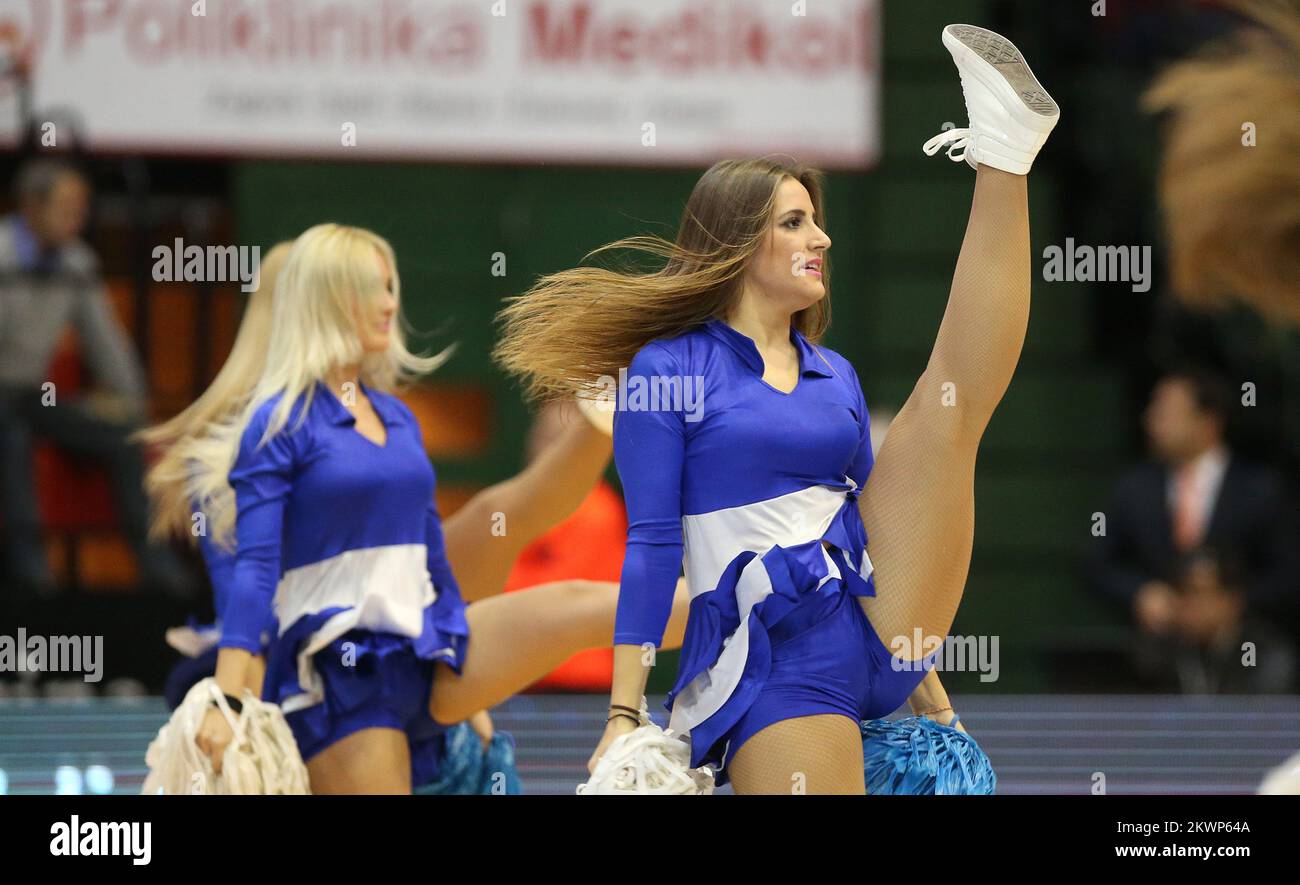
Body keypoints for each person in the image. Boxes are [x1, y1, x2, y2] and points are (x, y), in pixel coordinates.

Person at [495, 24, 1059, 793]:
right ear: (736, 243)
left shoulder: (837, 375)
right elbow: (653, 546)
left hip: (875, 629)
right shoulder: (671, 369)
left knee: (948, 406)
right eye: (794, 222)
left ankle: (1005, 155)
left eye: (816, 219)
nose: (820, 236)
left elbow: (878, 529)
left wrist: (936, 705)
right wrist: (623, 716)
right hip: (777, 663)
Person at [183, 223, 687, 793]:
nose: (389, 303)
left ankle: (743, 599)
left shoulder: (394, 417)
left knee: (562, 592)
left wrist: (461, 661)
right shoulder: (270, 427)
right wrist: (228, 696)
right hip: (334, 665)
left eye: (390, 286)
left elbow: (428, 548)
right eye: (370, 288)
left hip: (419, 634)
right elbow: (252, 579)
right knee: (502, 518)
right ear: (319, 300)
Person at [0, 157, 190, 596]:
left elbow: (109, 346)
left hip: (33, 395)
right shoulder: (4, 254)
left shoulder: (76, 264)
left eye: (81, 208)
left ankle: (159, 574)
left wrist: (139, 411)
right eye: (66, 207)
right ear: (31, 206)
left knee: (121, 435)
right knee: (11, 438)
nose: (77, 218)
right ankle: (33, 580)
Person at [1087, 367, 1300, 652]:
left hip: (1246, 661)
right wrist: (1141, 593)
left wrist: (1235, 604)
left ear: (1208, 422)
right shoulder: (1134, 488)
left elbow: (1288, 572)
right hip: (1155, 661)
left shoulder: (1261, 489)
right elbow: (1098, 563)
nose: (1150, 421)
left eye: (1166, 412)